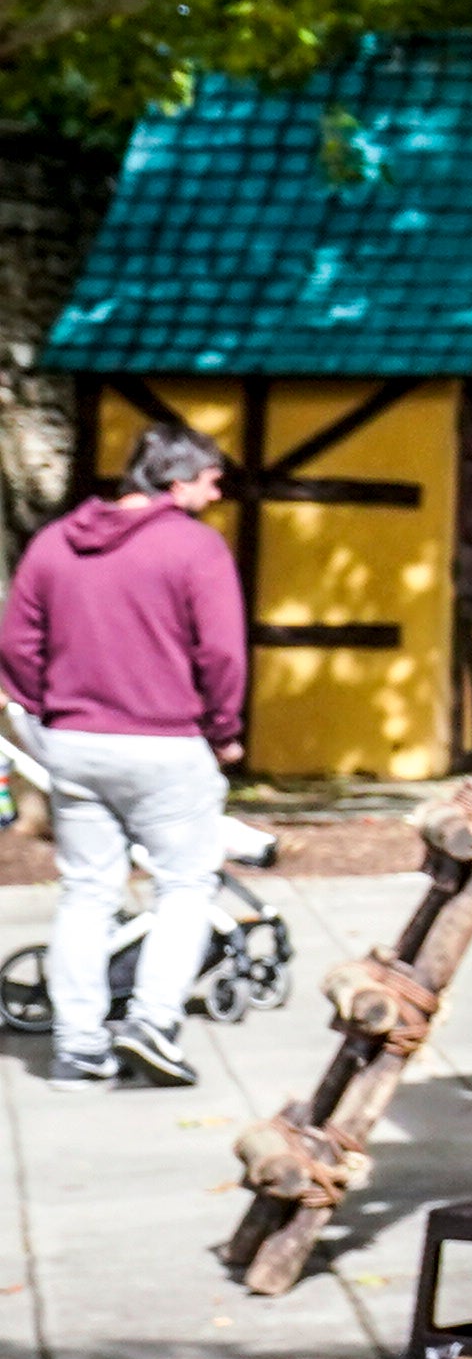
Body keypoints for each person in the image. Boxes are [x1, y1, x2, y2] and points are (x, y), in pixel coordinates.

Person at [5, 426, 251, 1090]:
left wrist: (48, 712)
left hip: (76, 743)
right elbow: (222, 651)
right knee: (185, 886)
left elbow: (15, 643)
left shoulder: (55, 542)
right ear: (176, 483)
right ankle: (152, 1023)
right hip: (167, 742)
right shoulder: (194, 548)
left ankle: (78, 1051)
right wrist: (225, 729)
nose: (217, 489)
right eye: (209, 478)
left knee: (86, 893)